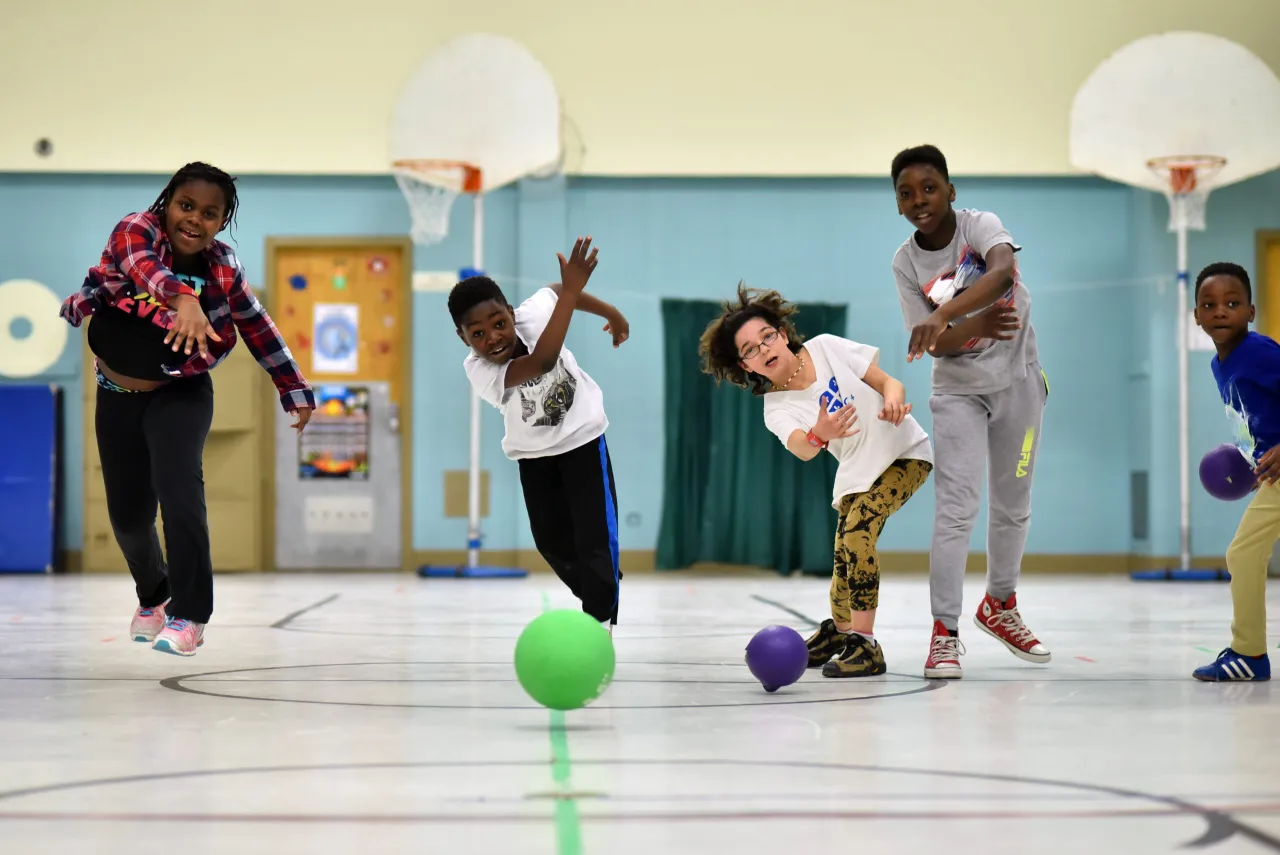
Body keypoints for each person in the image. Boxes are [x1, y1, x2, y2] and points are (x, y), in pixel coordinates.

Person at [60, 162, 315, 656]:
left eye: (210, 213)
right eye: (186, 206)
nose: (195, 219)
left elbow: (259, 328)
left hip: (182, 392)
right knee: (129, 519)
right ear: (167, 203)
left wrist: (294, 388)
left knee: (180, 493)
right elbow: (141, 267)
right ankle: (154, 595)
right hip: (117, 395)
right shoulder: (136, 230)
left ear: (223, 222)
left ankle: (191, 614)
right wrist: (181, 298)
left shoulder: (224, 268)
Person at [698, 284, 933, 677]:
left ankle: (866, 644)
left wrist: (893, 400)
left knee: (859, 532)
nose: (763, 350)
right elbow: (802, 449)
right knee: (844, 555)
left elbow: (888, 382)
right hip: (858, 472)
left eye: (767, 337)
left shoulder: (826, 348)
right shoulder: (776, 407)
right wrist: (819, 432)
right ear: (746, 367)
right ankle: (840, 632)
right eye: (750, 350)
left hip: (906, 453)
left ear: (783, 335)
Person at [890, 144, 1050, 679]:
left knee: (1014, 502)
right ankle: (944, 632)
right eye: (906, 193)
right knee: (956, 508)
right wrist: (971, 328)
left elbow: (1003, 273)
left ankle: (999, 605)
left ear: (950, 191)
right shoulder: (906, 262)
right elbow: (934, 345)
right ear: (897, 203)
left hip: (1021, 384)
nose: (919, 200)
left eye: (929, 188)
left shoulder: (980, 225)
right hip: (957, 391)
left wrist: (950, 315)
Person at [448, 237, 629, 631]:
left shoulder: (533, 314)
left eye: (499, 323)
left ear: (511, 313)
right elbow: (543, 361)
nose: (493, 337)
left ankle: (599, 626)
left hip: (583, 438)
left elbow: (558, 290)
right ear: (464, 339)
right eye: (478, 334)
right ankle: (603, 588)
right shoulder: (478, 371)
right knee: (551, 543)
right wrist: (573, 292)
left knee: (595, 537)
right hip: (534, 456)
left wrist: (611, 312)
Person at [1192, 261, 1280, 682]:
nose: (1220, 311)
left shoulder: (1260, 353)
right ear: (1197, 316)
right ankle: (1250, 654)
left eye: (1232, 302)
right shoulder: (1219, 365)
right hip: (1274, 475)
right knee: (1244, 553)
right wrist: (1253, 460)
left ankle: (1249, 653)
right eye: (1209, 304)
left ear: (1251, 311)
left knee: (1243, 553)